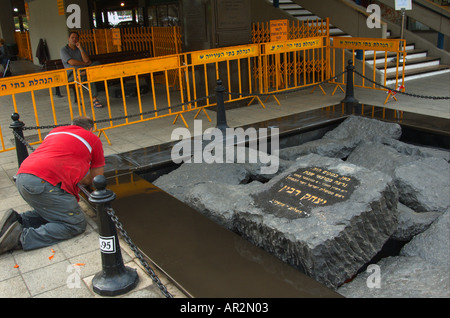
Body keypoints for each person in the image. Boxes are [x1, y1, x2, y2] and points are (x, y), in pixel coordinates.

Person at [0, 116, 105, 255]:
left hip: (23, 176)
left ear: (72, 125)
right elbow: (97, 177)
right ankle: (19, 238)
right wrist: (83, 179)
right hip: (44, 184)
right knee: (75, 224)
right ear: (91, 129)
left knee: (55, 210)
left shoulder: (56, 131)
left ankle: (18, 220)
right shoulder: (92, 139)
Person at [60, 31, 103, 108]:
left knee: (97, 63)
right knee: (89, 75)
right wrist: (85, 64)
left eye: (76, 38)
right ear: (68, 39)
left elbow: (87, 60)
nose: (74, 39)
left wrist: (80, 48)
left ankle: (83, 73)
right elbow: (72, 62)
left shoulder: (80, 49)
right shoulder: (64, 50)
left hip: (82, 72)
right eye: (72, 37)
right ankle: (94, 99)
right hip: (72, 74)